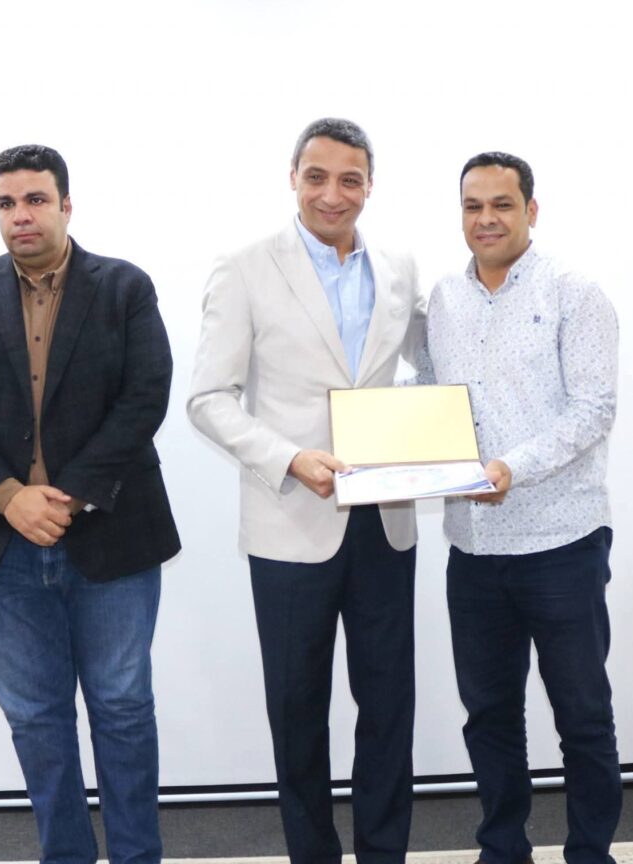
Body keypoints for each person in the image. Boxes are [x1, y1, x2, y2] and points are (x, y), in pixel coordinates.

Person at [0, 144, 181, 864]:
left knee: (123, 710)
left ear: (67, 204)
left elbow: (144, 397)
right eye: (6, 203)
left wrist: (67, 497)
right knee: (36, 719)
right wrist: (11, 499)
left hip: (110, 535)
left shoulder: (123, 287)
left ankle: (136, 857)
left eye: (35, 199)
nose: (21, 215)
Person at [187, 118, 425, 863]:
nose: (332, 194)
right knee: (297, 713)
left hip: (385, 520)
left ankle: (384, 854)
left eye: (350, 180)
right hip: (290, 521)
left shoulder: (399, 267)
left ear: (370, 186)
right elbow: (208, 398)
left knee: (389, 706)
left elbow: (428, 365)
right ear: (293, 178)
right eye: (316, 177)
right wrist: (290, 458)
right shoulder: (244, 267)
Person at [418, 151, 622, 864]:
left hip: (560, 542)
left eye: (501, 204)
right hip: (473, 549)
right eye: (472, 206)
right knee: (490, 715)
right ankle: (503, 849)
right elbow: (430, 399)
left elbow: (594, 409)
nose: (486, 219)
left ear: (531, 211)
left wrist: (513, 467)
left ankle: (590, 852)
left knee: (582, 716)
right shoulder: (442, 299)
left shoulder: (575, 293)